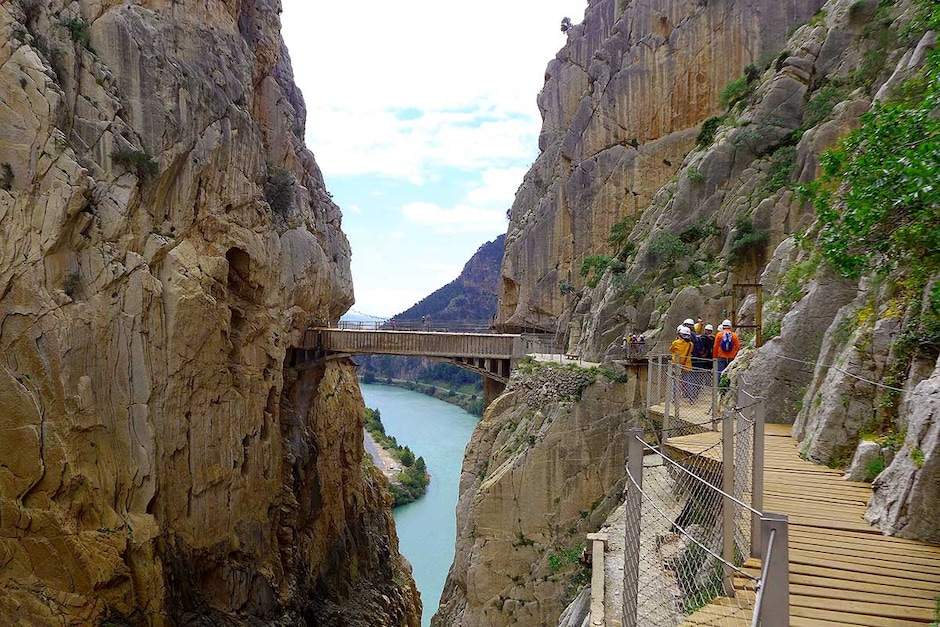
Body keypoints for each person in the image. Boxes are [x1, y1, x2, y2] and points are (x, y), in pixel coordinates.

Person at [670, 325, 695, 402]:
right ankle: (691, 398)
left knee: (675, 382)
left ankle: (674, 398)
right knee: (688, 381)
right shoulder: (691, 344)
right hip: (686, 365)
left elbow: (671, 349)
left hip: (676, 364)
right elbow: (690, 352)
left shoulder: (676, 343)